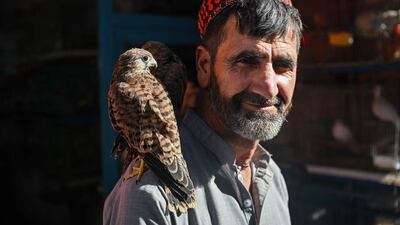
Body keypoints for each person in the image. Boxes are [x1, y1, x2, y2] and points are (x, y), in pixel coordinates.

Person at [103, 0, 303, 224]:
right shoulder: (151, 195)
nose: (269, 87)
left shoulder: (272, 177)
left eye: (283, 66)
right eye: (247, 61)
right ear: (205, 66)